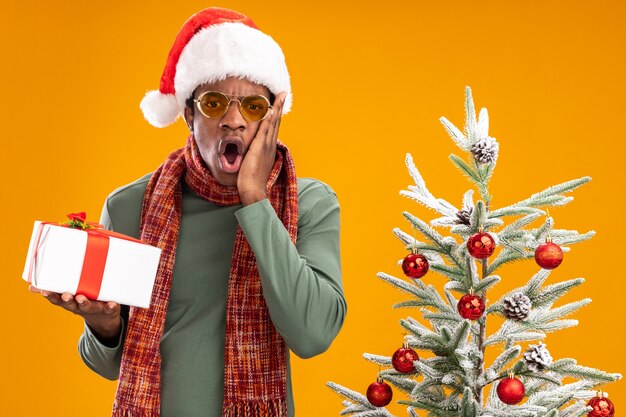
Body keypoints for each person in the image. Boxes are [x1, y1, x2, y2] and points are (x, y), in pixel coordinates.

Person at [29, 7, 346, 417]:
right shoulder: (131, 206)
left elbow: (313, 334)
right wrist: (103, 325)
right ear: (188, 113)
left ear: (272, 117)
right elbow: (106, 364)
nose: (233, 120)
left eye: (252, 106)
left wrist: (256, 199)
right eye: (214, 103)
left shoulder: (311, 203)